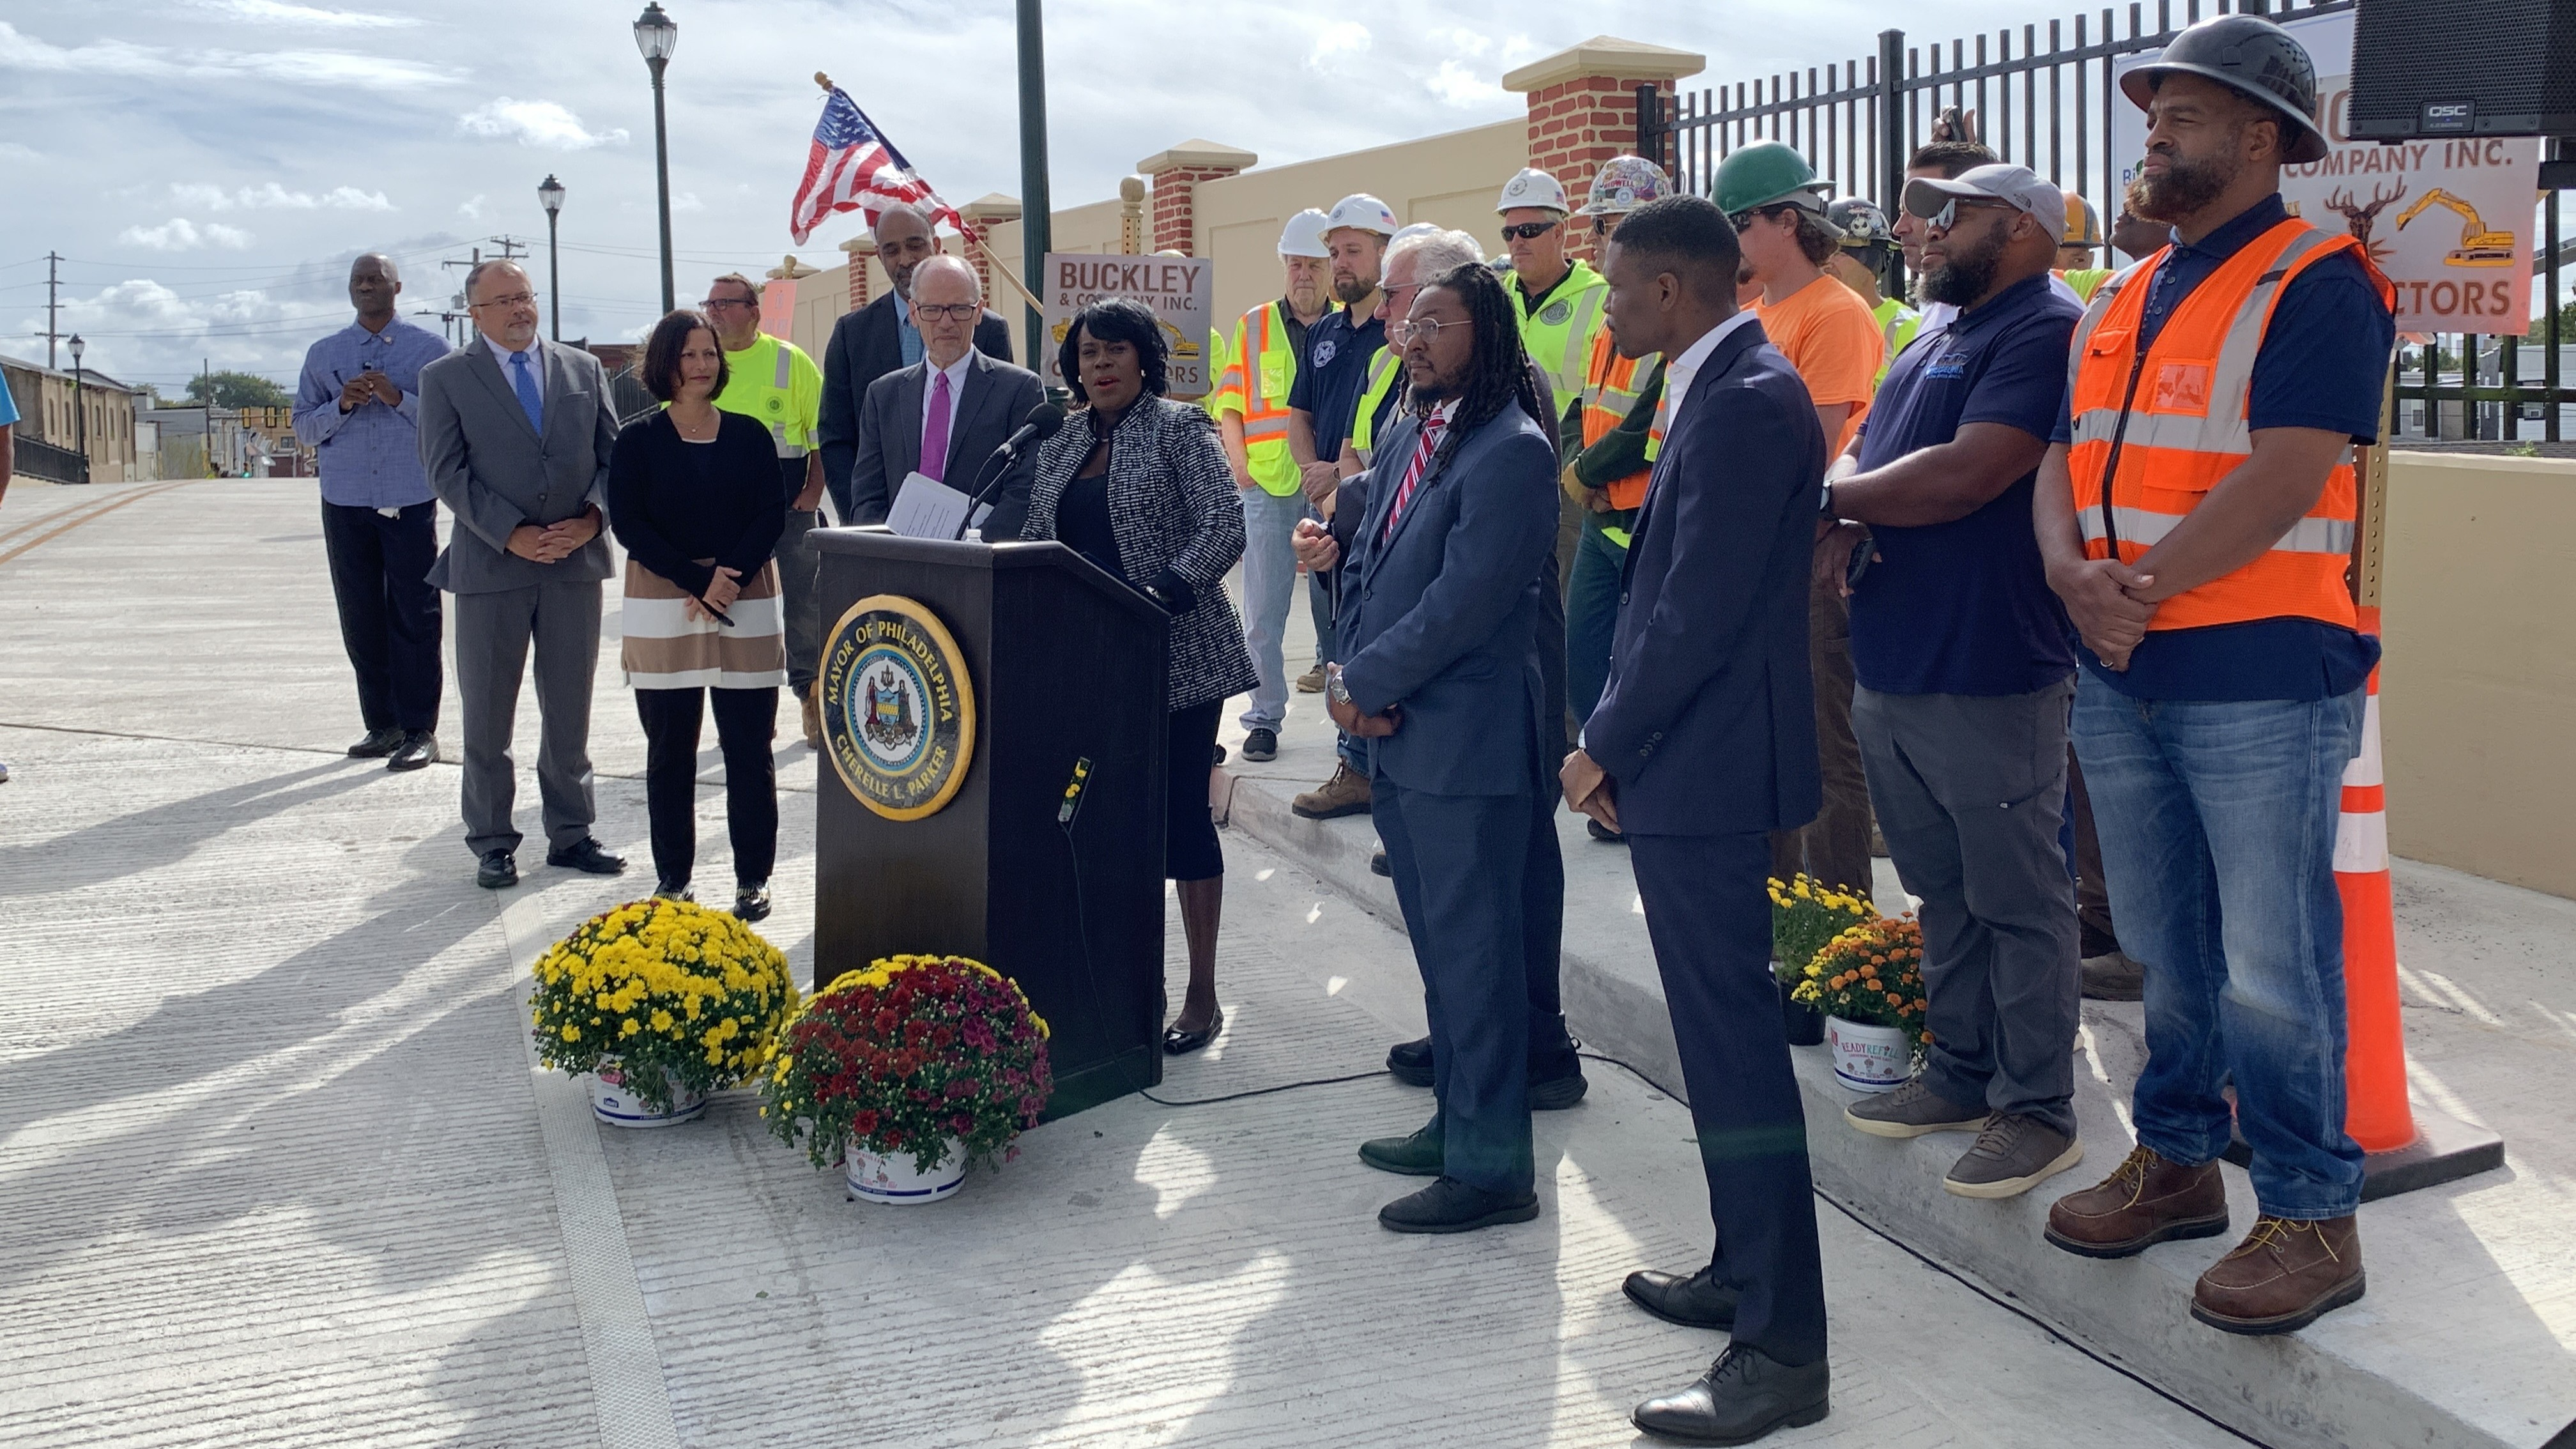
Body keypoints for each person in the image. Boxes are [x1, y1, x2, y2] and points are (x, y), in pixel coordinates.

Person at [2035, 13, 2395, 1337]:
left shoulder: (2320, 277)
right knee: (2164, 943)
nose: (2153, 135)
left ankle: (2311, 1214)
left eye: (2180, 116)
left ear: (2263, 138)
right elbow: (2059, 461)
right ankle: (2178, 1161)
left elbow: (2292, 471)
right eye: (2151, 116)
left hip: (2253, 667)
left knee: (2271, 958)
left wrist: (2132, 592)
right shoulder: (2128, 293)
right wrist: (2076, 577)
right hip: (2121, 661)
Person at [1562, 194, 1831, 1444]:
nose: (1606, 310)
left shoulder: (1742, 400)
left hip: (1708, 767)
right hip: (1695, 762)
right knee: (1718, 1041)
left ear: (1673, 290)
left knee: (1734, 1051)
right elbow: (1669, 592)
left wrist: (1601, 743)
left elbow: (1694, 613)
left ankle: (1780, 1349)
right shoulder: (1719, 386)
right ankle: (1741, 1268)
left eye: (1617, 291)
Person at [1815, 164, 2089, 1199]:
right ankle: (1963, 1071)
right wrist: (1846, 504)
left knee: (2016, 893)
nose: (1919, 231)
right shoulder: (1934, 332)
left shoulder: (2041, 328)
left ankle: (2036, 1107)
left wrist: (1831, 502)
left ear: (2016, 227)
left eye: (1949, 214)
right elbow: (1874, 454)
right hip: (1895, 652)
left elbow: (1974, 469)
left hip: (1988, 660)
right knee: (1943, 887)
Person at [1294, 260, 1560, 1235]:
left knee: (1481, 960)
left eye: (1438, 326)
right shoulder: (1409, 428)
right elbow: (1373, 560)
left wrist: (1365, 684)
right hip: (1400, 740)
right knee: (1444, 957)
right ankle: (1456, 1123)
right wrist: (1330, 571)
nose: (1414, 341)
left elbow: (1465, 604)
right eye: (1412, 326)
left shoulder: (1514, 451)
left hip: (1466, 743)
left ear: (1486, 337)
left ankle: (1494, 1173)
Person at [1343, 226, 1588, 1116]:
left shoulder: (1504, 402)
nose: (1399, 326)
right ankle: (1475, 1050)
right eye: (1400, 311)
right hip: (1412, 695)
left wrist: (1365, 679)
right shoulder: (1417, 395)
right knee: (1457, 915)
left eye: (1415, 307)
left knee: (1499, 893)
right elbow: (1392, 507)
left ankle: (1523, 1053)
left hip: (1487, 690)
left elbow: (1471, 586)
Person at [1023, 298, 1258, 1057]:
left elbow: (1224, 527)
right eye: (1088, 354)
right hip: (1086, 665)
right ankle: (1122, 984)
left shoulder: (1180, 428)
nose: (1100, 365)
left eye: (1115, 351)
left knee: (1177, 821)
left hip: (1177, 657)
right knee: (1097, 824)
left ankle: (1201, 994)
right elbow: (1037, 539)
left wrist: (1160, 594)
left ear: (1145, 358)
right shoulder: (1060, 442)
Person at [417, 259, 626, 889]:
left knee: (569, 709)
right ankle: (492, 839)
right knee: (487, 717)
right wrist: (511, 532)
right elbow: (445, 472)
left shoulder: (583, 369)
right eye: (503, 301)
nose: (519, 310)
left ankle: (571, 833)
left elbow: (614, 459)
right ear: (473, 313)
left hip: (572, 566)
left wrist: (594, 519)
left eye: (525, 296)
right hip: (491, 567)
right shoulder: (445, 378)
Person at [1717, 139, 1883, 902]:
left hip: (1807, 562)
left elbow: (1810, 453)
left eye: (1739, 221)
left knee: (1821, 752)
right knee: (1766, 754)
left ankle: (1837, 934)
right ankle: (1784, 927)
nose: (1730, 239)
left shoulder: (1835, 314)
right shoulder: (1755, 315)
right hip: (1755, 562)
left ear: (1787, 220)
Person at [606, 310, 788, 918]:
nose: (703, 365)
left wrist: (727, 578)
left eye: (710, 354)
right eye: (689, 355)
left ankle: (752, 879)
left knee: (749, 748)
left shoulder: (750, 435)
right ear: (665, 364)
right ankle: (674, 879)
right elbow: (630, 523)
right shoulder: (635, 441)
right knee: (670, 751)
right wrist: (697, 579)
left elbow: (770, 513)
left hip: (746, 596)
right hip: (665, 600)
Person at [291, 252, 452, 773]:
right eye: (358, 280)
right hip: (346, 499)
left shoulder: (431, 351)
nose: (366, 286)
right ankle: (380, 724)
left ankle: (419, 729)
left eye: (376, 279)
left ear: (397, 287)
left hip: (408, 498)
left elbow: (447, 424)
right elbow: (303, 429)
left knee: (415, 612)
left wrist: (397, 396)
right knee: (360, 613)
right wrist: (341, 405)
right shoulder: (325, 354)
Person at [1563, 155, 1676, 843]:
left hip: (1638, 514)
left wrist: (1587, 474)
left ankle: (1637, 794)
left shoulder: (1667, 308)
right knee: (1585, 655)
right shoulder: (1608, 313)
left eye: (1610, 223)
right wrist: (1579, 466)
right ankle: (1606, 787)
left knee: (1639, 666)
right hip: (1601, 512)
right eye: (1601, 224)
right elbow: (1585, 401)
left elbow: (1646, 425)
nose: (1601, 235)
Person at [1208, 208, 1335, 765]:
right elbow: (1229, 403)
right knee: (1263, 610)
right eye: (1294, 264)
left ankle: (1349, 728)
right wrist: (1241, 468)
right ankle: (1262, 718)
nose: (1302, 274)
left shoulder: (1345, 328)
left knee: (1337, 609)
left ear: (1330, 269)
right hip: (1268, 486)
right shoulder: (1255, 324)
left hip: (1330, 480)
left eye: (1312, 264)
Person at [1286, 193, 1397, 822]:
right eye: (1333, 252)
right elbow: (1301, 414)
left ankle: (1367, 767)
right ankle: (1351, 763)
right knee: (1333, 635)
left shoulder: (1401, 327)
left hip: (1373, 501)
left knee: (1367, 639)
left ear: (1384, 250)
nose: (1339, 262)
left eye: (1352, 250)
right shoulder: (1325, 332)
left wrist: (1339, 477)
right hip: (1331, 507)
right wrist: (1312, 473)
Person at [819, 202, 1013, 524]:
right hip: (884, 535)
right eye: (892, 250)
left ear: (936, 245)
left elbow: (1001, 432)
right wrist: (865, 526)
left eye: (915, 245)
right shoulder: (851, 336)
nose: (905, 259)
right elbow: (837, 440)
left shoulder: (989, 329)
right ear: (879, 257)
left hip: (971, 535)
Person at [700, 272, 827, 749]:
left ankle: (811, 697)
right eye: (709, 304)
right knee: (731, 606)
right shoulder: (698, 364)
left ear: (753, 310)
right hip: (723, 513)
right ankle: (747, 710)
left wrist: (814, 490)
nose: (714, 312)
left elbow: (821, 434)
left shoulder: (789, 362)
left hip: (791, 505)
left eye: (725, 304)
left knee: (805, 602)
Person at [846, 255, 1046, 535]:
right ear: (914, 313)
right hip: (899, 567)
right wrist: (887, 552)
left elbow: (1024, 491)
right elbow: (868, 496)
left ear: (979, 312)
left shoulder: (1019, 390)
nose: (946, 322)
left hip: (978, 566)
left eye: (959, 309)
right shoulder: (883, 396)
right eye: (933, 310)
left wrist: (968, 554)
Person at [1823, 198, 1921, 386]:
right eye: (1822, 253)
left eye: (1837, 252)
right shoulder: (1812, 323)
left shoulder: (1907, 328)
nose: (1827, 263)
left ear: (1871, 258)